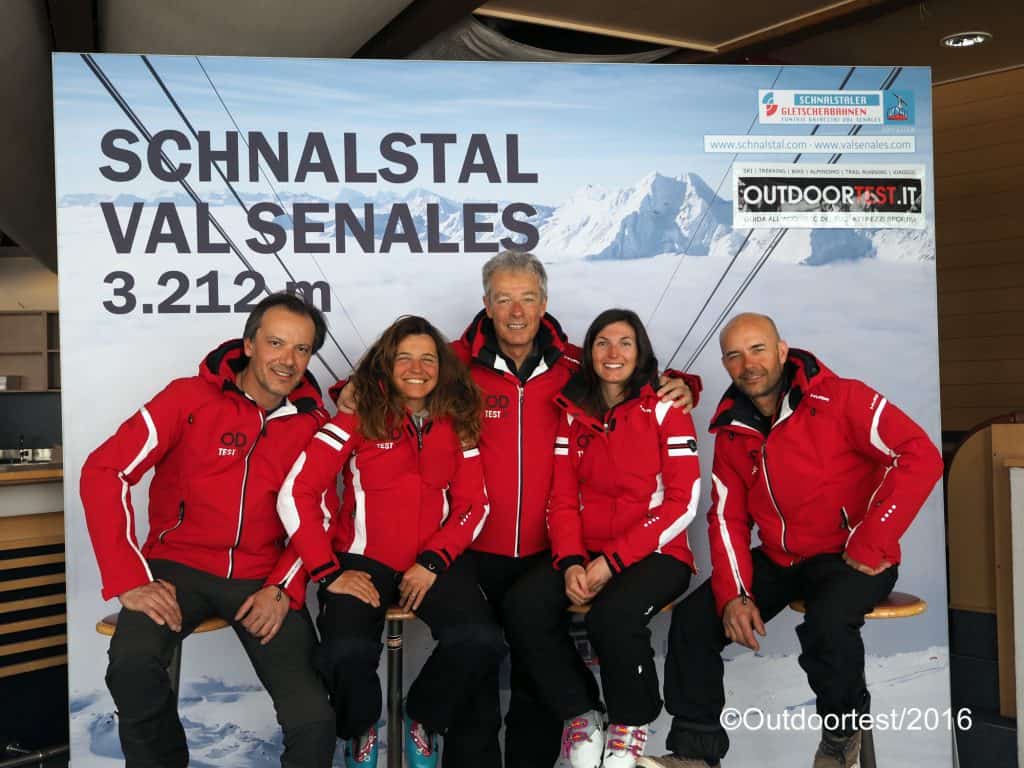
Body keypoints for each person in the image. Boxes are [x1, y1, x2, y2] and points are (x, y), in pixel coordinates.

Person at [335, 251, 700, 768]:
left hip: (548, 550)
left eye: (527, 298)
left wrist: (687, 385)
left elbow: (632, 384)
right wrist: (349, 390)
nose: (515, 310)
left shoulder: (577, 365)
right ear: (486, 303)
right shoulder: (453, 362)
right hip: (472, 547)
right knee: (476, 683)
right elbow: (396, 382)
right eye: (503, 298)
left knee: (535, 684)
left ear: (544, 303)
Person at [637, 313, 944, 768]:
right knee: (694, 621)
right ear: (725, 364)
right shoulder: (732, 431)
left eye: (758, 349)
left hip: (851, 557)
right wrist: (736, 595)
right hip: (783, 558)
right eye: (735, 355)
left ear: (782, 350)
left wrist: (871, 539)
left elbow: (920, 455)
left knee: (829, 622)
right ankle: (695, 753)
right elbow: (726, 518)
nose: (748, 364)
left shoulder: (842, 398)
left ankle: (842, 739)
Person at [79, 293, 337, 768]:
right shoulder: (188, 398)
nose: (287, 360)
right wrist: (129, 577)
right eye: (276, 343)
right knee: (133, 667)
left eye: (301, 349)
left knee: (314, 717)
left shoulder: (312, 425)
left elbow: (320, 516)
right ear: (250, 343)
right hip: (179, 569)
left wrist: (282, 588)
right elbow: (104, 471)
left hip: (262, 576)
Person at [278, 315, 505, 768]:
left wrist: (435, 561)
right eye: (404, 357)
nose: (416, 368)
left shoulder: (457, 421)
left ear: (442, 368)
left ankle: (423, 718)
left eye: (427, 358)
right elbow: (295, 492)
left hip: (433, 560)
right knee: (345, 651)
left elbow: (473, 505)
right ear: (386, 364)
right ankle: (360, 728)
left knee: (480, 640)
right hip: (364, 560)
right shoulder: (355, 415)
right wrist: (329, 572)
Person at [502, 308, 700, 768]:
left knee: (612, 617)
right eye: (602, 343)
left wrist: (611, 561)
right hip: (585, 550)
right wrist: (571, 559)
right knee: (522, 606)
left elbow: (681, 501)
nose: (613, 353)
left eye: (625, 343)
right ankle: (580, 710)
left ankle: (630, 725)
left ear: (641, 352)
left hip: (658, 551)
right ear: (588, 354)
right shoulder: (572, 415)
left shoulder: (667, 408)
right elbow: (562, 498)